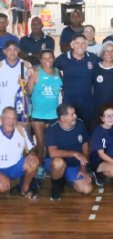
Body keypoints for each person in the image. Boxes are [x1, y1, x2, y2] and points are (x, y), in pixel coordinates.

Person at [27, 49, 62, 179]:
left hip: (54, 115)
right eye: (45, 58)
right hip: (38, 115)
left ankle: (51, 167)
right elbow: (28, 91)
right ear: (40, 60)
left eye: (50, 58)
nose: (48, 60)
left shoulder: (59, 73)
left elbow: (63, 92)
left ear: (53, 59)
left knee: (51, 144)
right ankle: (40, 168)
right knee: (41, 144)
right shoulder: (36, 73)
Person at [45, 103, 92, 200]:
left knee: (87, 189)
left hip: (74, 165)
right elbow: (52, 152)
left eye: (74, 113)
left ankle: (66, 178)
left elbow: (85, 148)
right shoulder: (53, 128)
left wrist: (83, 168)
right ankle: (56, 189)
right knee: (58, 163)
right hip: (55, 162)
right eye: (72, 114)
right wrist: (74, 153)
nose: (75, 116)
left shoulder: (80, 124)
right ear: (63, 118)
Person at [54, 33, 100, 127]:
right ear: (72, 45)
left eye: (83, 43)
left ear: (86, 45)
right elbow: (50, 68)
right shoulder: (63, 58)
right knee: (70, 129)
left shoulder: (92, 58)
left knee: (88, 130)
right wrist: (61, 83)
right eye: (77, 43)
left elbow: (107, 63)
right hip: (69, 102)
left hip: (88, 103)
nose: (80, 46)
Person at [0, 106, 39, 200]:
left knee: (33, 163)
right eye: (8, 118)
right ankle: (11, 183)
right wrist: (1, 176)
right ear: (1, 119)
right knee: (2, 187)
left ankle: (25, 189)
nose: (11, 121)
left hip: (16, 165)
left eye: (13, 118)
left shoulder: (20, 130)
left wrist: (32, 154)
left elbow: (32, 148)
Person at [0, 40, 31, 112]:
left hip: (21, 108)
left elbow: (30, 90)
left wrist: (24, 85)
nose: (12, 52)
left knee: (21, 123)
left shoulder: (26, 65)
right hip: (3, 108)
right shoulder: (1, 65)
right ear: (4, 51)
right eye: (9, 49)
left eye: (15, 49)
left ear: (18, 50)